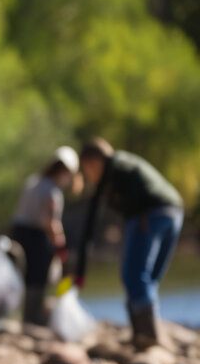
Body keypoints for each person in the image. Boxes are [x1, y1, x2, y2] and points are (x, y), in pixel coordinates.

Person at [69, 137, 184, 349]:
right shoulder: (117, 168)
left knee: (134, 276)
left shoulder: (118, 166)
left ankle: (147, 337)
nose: (88, 176)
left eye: (87, 170)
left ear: (94, 162)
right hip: (174, 212)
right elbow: (91, 220)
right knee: (147, 279)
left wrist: (133, 217)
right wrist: (81, 273)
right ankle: (146, 334)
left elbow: (132, 188)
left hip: (150, 214)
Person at [10, 146, 80, 325]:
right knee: (38, 277)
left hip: (18, 232)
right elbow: (49, 222)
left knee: (26, 276)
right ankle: (33, 317)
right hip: (36, 236)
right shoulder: (52, 191)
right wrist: (61, 246)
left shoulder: (33, 182)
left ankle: (26, 315)